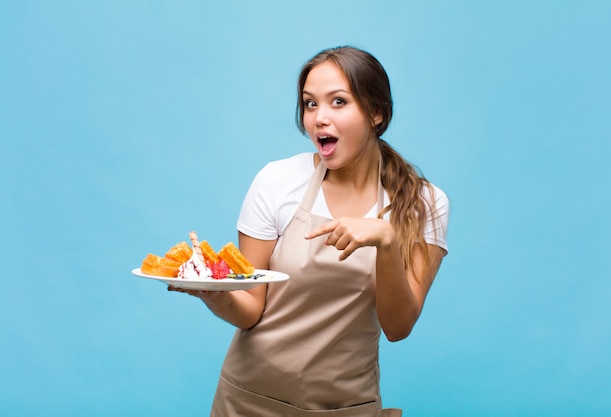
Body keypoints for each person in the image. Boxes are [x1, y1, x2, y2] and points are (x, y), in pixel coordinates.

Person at [170, 46, 449, 416]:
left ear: (376, 112)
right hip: (249, 400)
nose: (319, 118)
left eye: (338, 102)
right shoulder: (276, 181)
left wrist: (387, 240)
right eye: (310, 104)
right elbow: (251, 308)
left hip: (345, 406)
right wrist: (214, 294)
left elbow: (398, 327)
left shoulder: (423, 203)